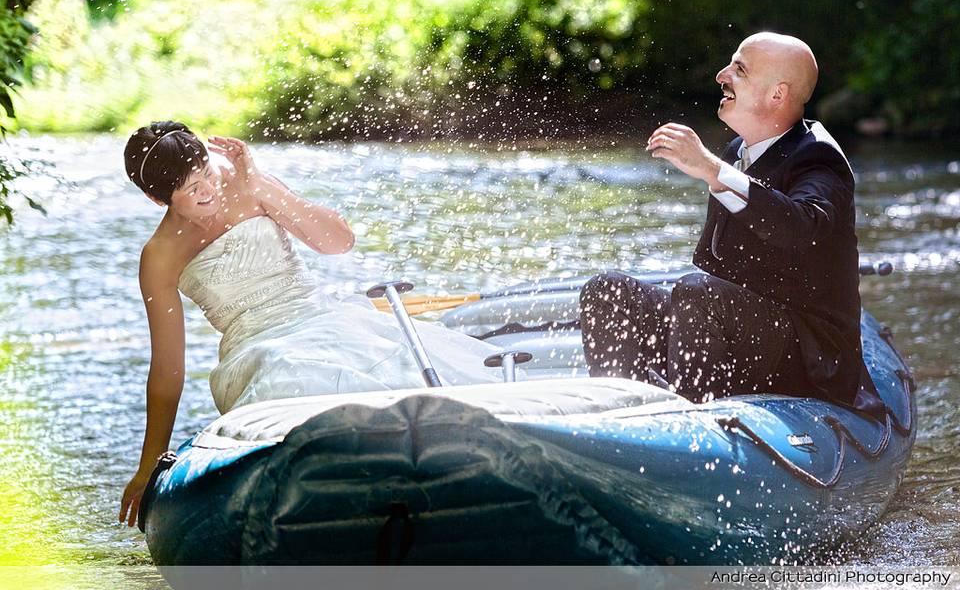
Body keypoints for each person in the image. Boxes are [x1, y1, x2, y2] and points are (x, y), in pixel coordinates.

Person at [118, 121, 502, 526]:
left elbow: (338, 242)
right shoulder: (159, 256)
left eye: (207, 174)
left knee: (396, 366)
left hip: (321, 316)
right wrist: (149, 466)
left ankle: (454, 475)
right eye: (192, 190)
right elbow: (167, 369)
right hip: (255, 347)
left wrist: (260, 184)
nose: (209, 190)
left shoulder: (246, 182)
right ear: (155, 197)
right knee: (287, 372)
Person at [579, 32, 883, 414]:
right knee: (609, 291)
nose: (721, 75)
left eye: (738, 69)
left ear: (777, 94)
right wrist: (718, 169)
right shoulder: (736, 151)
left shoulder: (820, 158)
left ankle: (696, 426)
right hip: (731, 328)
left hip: (808, 357)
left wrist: (711, 170)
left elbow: (801, 226)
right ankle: (626, 416)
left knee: (698, 294)